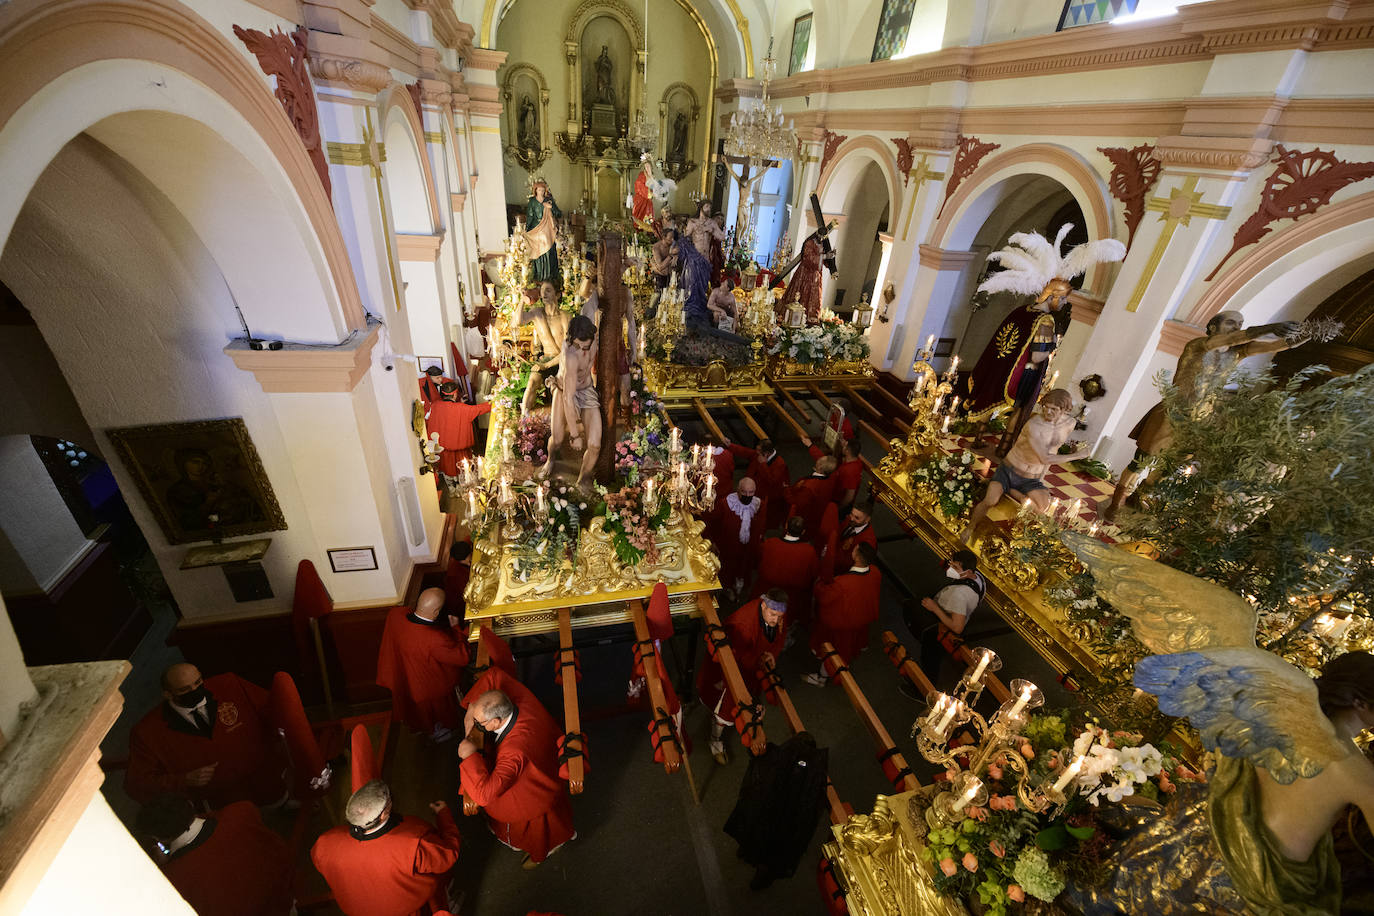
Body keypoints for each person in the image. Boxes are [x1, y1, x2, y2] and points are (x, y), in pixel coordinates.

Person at [1102, 312, 1305, 522]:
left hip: (1200, 420)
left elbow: (1273, 346)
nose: (1237, 327)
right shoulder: (1198, 345)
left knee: (1169, 467)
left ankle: (1139, 497)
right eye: (1230, 323)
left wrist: (1302, 336)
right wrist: (1267, 328)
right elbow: (1230, 339)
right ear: (1213, 327)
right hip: (1172, 414)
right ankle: (1117, 502)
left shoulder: (1238, 352)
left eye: (1241, 324)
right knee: (1141, 462)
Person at [126, 663, 286, 809]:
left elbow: (276, 710)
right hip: (221, 805)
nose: (195, 691)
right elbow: (138, 784)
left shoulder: (229, 685)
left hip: (269, 784)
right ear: (168, 694)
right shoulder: (147, 732)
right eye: (184, 690)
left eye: (198, 682)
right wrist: (184, 779)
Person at [458, 671, 575, 869]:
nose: (475, 725)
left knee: (498, 804)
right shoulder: (515, 699)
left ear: (495, 722)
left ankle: (541, 851)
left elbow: (485, 795)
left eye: (479, 723)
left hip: (534, 791)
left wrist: (469, 756)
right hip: (546, 760)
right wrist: (471, 711)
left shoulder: (514, 753)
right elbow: (494, 675)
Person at [311, 780, 461, 916]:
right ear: (383, 814)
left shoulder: (325, 843)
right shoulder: (412, 845)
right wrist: (444, 815)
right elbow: (448, 855)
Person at [960, 389, 1088, 544]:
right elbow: (1045, 457)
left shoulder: (1070, 424)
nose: (1047, 411)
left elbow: (1053, 450)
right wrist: (1077, 455)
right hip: (1008, 471)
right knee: (990, 500)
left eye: (1053, 409)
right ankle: (970, 527)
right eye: (1046, 407)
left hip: (1030, 479)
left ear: (1065, 410)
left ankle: (1013, 491)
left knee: (1042, 508)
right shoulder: (1034, 425)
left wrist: (1042, 480)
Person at [136, 794, 293, 916]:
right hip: (283, 900)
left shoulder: (172, 880)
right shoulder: (241, 811)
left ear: (158, 838)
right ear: (190, 805)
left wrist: (165, 867)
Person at [964, 283, 1074, 457]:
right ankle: (1003, 448)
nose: (1064, 304)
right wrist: (1053, 344)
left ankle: (978, 439)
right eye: (1064, 299)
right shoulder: (1045, 320)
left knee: (991, 399)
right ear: (1053, 297)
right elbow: (1037, 357)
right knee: (1019, 407)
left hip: (1001, 367)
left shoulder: (1022, 310)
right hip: (1025, 372)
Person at [724, 731, 829, 891]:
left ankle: (748, 854)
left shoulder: (780, 755)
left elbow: (757, 763)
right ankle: (760, 872)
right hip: (783, 820)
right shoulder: (812, 773)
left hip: (765, 811)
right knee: (772, 851)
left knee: (756, 836)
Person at [698, 590, 788, 766]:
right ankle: (715, 739)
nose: (776, 620)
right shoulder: (743, 626)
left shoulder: (776, 614)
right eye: (773, 614)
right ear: (763, 605)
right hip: (733, 673)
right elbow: (731, 661)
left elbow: (779, 636)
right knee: (724, 712)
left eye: (779, 616)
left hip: (752, 669)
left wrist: (772, 654)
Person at [376, 588, 470, 742]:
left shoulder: (395, 615)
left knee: (417, 713)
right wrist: (456, 629)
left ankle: (423, 729)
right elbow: (462, 657)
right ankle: (438, 732)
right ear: (436, 612)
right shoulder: (434, 639)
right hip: (428, 685)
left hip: (403, 676)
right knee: (437, 714)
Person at [906, 549, 986, 689]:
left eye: (955, 568)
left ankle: (923, 688)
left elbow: (957, 627)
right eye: (951, 565)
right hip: (956, 610)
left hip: (942, 625)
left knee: (930, 657)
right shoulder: (977, 577)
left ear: (967, 572)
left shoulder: (959, 595)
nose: (951, 569)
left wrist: (934, 608)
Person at [805, 542, 882, 686]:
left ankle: (822, 677)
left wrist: (819, 583)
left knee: (832, 652)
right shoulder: (875, 572)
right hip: (860, 620)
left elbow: (823, 596)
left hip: (841, 625)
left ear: (856, 556)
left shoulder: (842, 583)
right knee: (847, 649)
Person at [541, 315, 601, 488]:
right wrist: (574, 435)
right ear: (571, 339)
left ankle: (582, 479)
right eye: (578, 345)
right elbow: (568, 398)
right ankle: (550, 459)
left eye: (586, 346)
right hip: (564, 391)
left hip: (586, 390)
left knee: (595, 445)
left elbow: (593, 300)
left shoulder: (594, 337)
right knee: (558, 439)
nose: (583, 350)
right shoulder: (571, 356)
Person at [751, 516, 819, 627]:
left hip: (765, 591)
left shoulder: (770, 543)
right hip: (790, 599)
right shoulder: (809, 552)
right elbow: (813, 574)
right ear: (803, 532)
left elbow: (758, 561)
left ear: (786, 526)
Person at [425, 382, 492, 488]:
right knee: (464, 474)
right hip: (461, 452)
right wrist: (497, 402)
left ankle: (451, 489)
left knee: (447, 473)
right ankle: (464, 490)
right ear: (455, 394)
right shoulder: (463, 408)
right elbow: (481, 408)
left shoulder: (435, 406)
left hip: (443, 451)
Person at [709, 477, 765, 597]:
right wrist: (713, 542)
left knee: (743, 569)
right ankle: (722, 590)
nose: (747, 495)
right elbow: (714, 523)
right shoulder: (725, 503)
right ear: (738, 490)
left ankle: (737, 588)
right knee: (725, 570)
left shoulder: (759, 504)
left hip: (747, 548)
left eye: (751, 492)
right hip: (728, 546)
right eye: (744, 492)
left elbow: (761, 525)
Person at [724, 437, 791, 530]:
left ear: (766, 454)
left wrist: (763, 465)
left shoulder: (780, 464)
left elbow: (772, 481)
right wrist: (730, 445)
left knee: (757, 519)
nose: (756, 452)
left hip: (761, 496)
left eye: (758, 451)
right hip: (749, 489)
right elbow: (746, 452)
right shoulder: (759, 454)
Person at [785, 455, 838, 550]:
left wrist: (785, 490)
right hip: (816, 517)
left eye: (820, 460)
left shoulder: (810, 487)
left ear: (820, 467)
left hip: (803, 520)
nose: (817, 459)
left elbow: (796, 503)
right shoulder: (830, 479)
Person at [803, 434, 863, 512]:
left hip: (836, 502)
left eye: (844, 445)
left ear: (847, 451)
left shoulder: (849, 471)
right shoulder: (855, 461)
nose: (842, 445)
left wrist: (837, 509)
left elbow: (849, 497)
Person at [523, 179, 562, 290]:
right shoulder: (532, 202)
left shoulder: (549, 201)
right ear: (535, 191)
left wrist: (551, 207)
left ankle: (550, 276)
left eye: (542, 190)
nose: (541, 192)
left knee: (549, 251)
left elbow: (559, 213)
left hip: (548, 229)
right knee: (538, 253)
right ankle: (539, 276)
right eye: (539, 190)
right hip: (536, 229)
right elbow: (530, 217)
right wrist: (527, 231)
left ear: (545, 190)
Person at [831, 502, 878, 579]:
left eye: (857, 518)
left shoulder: (868, 541)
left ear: (867, 520)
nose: (851, 518)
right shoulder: (850, 520)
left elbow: (859, 566)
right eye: (851, 514)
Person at [443, 539, 473, 629]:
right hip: (461, 605)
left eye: (469, 559)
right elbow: (467, 594)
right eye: (465, 562)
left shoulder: (466, 545)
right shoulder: (455, 574)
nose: (468, 563)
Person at [651, 227, 679, 292]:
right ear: (664, 238)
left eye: (673, 238)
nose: (672, 240)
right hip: (660, 277)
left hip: (671, 276)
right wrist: (671, 255)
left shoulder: (674, 245)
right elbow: (660, 267)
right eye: (670, 238)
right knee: (658, 295)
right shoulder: (656, 247)